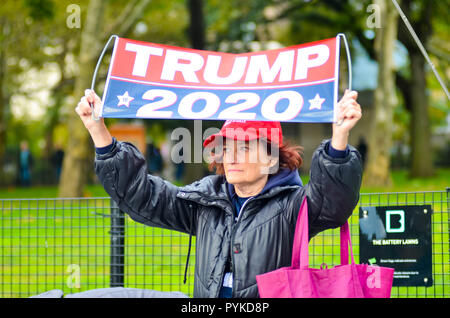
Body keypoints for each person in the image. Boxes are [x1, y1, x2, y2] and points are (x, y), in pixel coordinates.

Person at [75, 88, 363, 298]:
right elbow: (141, 195)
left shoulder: (293, 204)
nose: (232, 158)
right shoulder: (205, 200)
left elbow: (333, 201)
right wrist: (98, 130)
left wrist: (339, 139)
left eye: (245, 147)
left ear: (271, 159)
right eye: (227, 148)